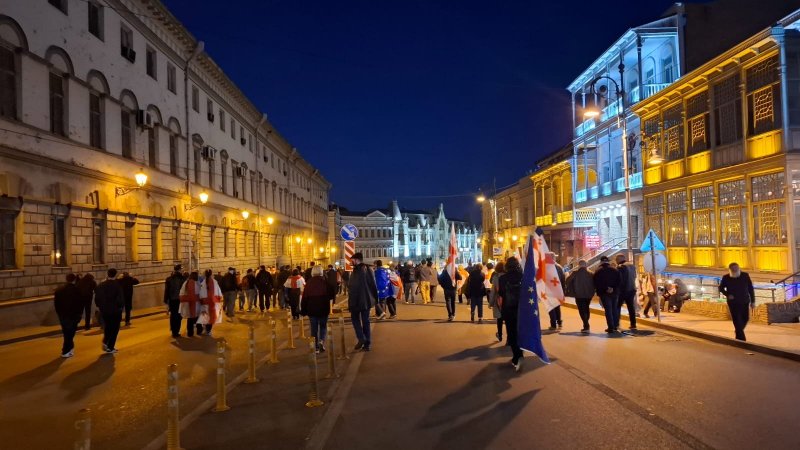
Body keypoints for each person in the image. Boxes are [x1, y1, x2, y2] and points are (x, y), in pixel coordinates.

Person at [348, 252, 378, 351]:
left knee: (355, 319)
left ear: (357, 260)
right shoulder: (368, 269)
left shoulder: (357, 270)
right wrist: (374, 298)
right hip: (366, 300)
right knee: (366, 322)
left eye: (352, 260)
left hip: (357, 300)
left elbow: (354, 287)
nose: (351, 261)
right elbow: (373, 284)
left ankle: (362, 338)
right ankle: (367, 344)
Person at [301, 265, 335, 352]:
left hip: (312, 308)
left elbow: (304, 297)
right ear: (321, 271)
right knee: (323, 326)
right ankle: (321, 341)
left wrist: (303, 310)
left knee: (313, 328)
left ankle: (315, 347)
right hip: (323, 307)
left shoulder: (309, 283)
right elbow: (332, 294)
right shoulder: (325, 281)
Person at [719, 262, 755, 341]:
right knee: (737, 320)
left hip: (745, 301)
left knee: (746, 318)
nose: (735, 270)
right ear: (730, 269)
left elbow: (750, 289)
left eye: (737, 268)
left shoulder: (745, 276)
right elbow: (721, 288)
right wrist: (728, 294)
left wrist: (753, 301)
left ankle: (738, 331)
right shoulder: (726, 277)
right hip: (733, 303)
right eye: (733, 269)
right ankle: (741, 340)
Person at [498, 257, 524, 371]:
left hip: (508, 309)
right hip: (522, 309)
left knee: (511, 333)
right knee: (521, 331)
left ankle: (516, 356)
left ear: (507, 266)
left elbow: (502, 293)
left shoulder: (502, 278)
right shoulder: (523, 277)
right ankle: (521, 353)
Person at [95, 268, 124, 353]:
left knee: (107, 326)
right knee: (115, 328)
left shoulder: (101, 285)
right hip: (115, 310)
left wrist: (100, 306)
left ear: (107, 274)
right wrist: (120, 307)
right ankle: (110, 346)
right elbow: (120, 299)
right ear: (115, 275)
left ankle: (105, 341)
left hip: (104, 310)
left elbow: (97, 298)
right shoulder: (117, 285)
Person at [54, 273, 83, 358]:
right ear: (74, 280)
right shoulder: (77, 290)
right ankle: (65, 350)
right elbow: (80, 304)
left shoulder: (59, 290)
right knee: (70, 333)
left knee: (66, 332)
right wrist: (79, 315)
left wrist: (59, 314)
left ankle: (69, 348)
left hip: (63, 315)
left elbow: (56, 304)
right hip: (73, 316)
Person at [593, 256, 621, 334]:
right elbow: (619, 281)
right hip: (614, 293)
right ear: (608, 262)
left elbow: (596, 283)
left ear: (601, 262)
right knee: (614, 309)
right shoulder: (615, 270)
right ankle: (615, 326)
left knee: (608, 310)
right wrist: (612, 288)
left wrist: (606, 289)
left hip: (604, 293)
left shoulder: (598, 272)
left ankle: (610, 327)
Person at [565, 260, 594, 333]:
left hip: (578, 294)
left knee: (581, 310)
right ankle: (586, 323)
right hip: (589, 295)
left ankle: (586, 325)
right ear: (586, 265)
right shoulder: (591, 273)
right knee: (586, 308)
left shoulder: (575, 273)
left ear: (579, 265)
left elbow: (567, 281)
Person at [615, 254, 638, 331]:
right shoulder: (632, 266)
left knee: (617, 306)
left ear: (619, 259)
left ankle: (616, 323)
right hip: (632, 289)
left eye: (616, 259)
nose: (616, 261)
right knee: (631, 307)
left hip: (623, 290)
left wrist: (618, 289)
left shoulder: (621, 267)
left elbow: (620, 280)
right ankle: (633, 324)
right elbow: (634, 276)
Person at [198, 269, 222, 336]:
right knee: (211, 317)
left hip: (205, 302)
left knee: (205, 316)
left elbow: (201, 293)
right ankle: (208, 331)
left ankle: (205, 328)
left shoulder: (203, 282)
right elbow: (218, 292)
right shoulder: (214, 282)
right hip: (212, 302)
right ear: (211, 274)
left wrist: (201, 300)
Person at [164, 265, 186, 338]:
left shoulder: (169, 279)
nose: (182, 271)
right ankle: (176, 331)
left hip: (172, 300)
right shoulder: (182, 279)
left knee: (173, 316)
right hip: (179, 300)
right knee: (178, 316)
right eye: (181, 269)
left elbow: (166, 291)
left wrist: (166, 301)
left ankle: (174, 331)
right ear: (179, 270)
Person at [178, 271, 202, 337]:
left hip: (188, 304)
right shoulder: (197, 283)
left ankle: (190, 333)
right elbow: (200, 293)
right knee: (197, 318)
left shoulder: (186, 283)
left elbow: (181, 293)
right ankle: (199, 331)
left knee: (190, 319)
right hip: (195, 304)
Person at [547, 255, 565, 330]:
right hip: (558, 289)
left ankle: (553, 324)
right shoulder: (559, 267)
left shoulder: (547, 267)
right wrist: (563, 290)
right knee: (557, 307)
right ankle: (559, 322)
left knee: (551, 307)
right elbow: (563, 279)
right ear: (554, 258)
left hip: (549, 290)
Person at [488, 262, 505, 340]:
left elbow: (493, 291)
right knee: (508, 319)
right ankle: (509, 338)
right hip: (507, 300)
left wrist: (490, 303)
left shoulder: (496, 277)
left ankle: (500, 335)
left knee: (499, 319)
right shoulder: (508, 275)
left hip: (498, 300)